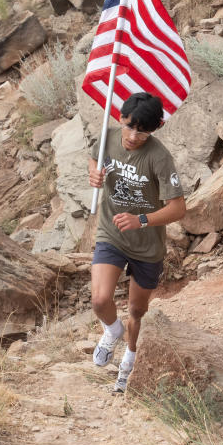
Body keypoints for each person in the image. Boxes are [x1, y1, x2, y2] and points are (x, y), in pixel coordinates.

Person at [87, 92, 186, 393]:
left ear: (154, 129)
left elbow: (179, 208)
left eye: (142, 131)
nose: (133, 136)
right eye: (129, 126)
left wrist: (141, 220)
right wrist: (94, 173)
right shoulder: (107, 135)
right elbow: (94, 157)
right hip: (112, 232)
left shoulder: (159, 157)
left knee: (136, 310)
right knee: (100, 300)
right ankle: (111, 331)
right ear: (121, 118)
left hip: (147, 245)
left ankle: (129, 359)